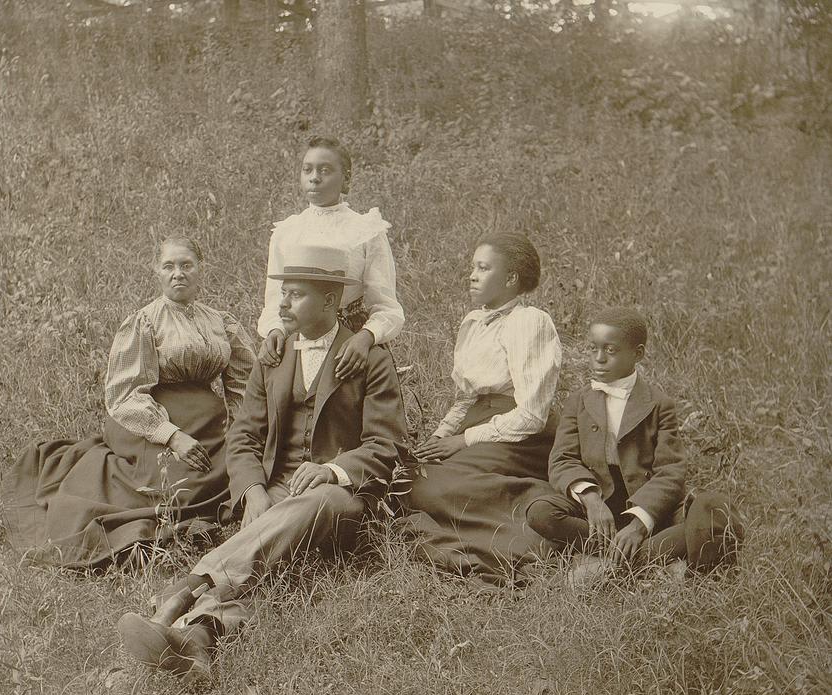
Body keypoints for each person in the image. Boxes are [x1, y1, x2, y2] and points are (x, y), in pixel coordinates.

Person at [116, 242, 407, 677]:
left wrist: (331, 469)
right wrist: (252, 490)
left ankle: (187, 588)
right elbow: (244, 435)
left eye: (296, 294)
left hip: (339, 501)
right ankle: (199, 639)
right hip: (275, 490)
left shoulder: (370, 359)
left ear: (330, 300)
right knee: (274, 561)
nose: (283, 303)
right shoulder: (272, 358)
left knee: (318, 501)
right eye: (282, 292)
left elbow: (387, 447)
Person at [2, 236, 256, 568]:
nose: (178, 273)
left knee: (232, 464)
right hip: (148, 419)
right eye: (169, 266)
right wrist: (172, 435)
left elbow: (244, 386)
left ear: (201, 270)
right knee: (183, 481)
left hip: (207, 423)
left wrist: (241, 430)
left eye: (186, 265)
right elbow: (124, 395)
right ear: (157, 272)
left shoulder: (221, 322)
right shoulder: (145, 322)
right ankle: (144, 523)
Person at [527, 306, 745, 589]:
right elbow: (562, 459)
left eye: (611, 350)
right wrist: (592, 500)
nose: (598, 359)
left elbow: (670, 471)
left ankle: (615, 565)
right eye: (593, 349)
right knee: (540, 512)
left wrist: (640, 524)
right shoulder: (578, 401)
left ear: (637, 354)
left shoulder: (659, 404)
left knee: (713, 509)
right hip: (599, 513)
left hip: (648, 511)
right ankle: (650, 563)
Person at [395, 232, 561, 584]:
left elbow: (532, 414)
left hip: (520, 437)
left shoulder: (529, 322)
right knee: (409, 477)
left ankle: (528, 535)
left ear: (511, 278)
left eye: (483, 268)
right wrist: (437, 439)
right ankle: (467, 540)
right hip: (476, 428)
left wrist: (462, 441)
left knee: (431, 487)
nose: (472, 275)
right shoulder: (473, 323)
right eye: (473, 267)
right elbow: (465, 400)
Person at [257, 135, 404, 380]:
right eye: (307, 170)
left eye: (325, 170)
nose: (314, 177)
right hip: (298, 334)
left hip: (350, 338)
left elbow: (386, 306)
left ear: (345, 179)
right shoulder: (287, 233)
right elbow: (275, 299)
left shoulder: (366, 230)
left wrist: (365, 338)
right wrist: (275, 330)